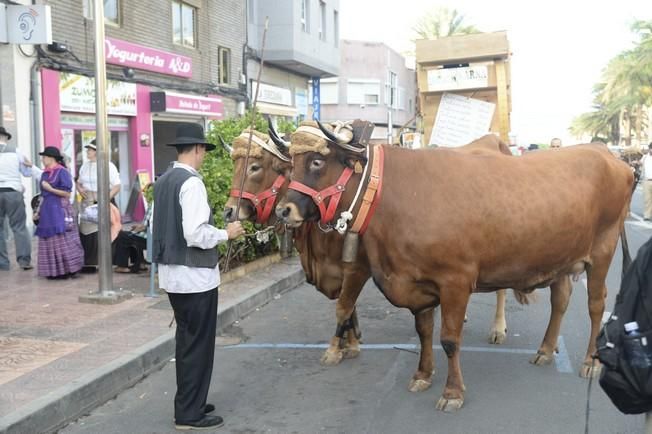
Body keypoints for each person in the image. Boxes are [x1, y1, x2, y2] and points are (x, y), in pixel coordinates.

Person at [152, 123, 244, 431]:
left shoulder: (164, 180)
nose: (204, 155)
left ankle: (191, 402)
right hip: (194, 277)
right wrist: (225, 233)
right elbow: (194, 233)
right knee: (198, 346)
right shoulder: (191, 184)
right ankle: (189, 414)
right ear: (197, 149)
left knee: (187, 342)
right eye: (204, 149)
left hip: (172, 274)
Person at [35, 146, 84, 279]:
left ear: (52, 158)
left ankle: (67, 269)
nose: (42, 159)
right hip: (47, 209)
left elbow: (67, 194)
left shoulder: (62, 172)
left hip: (60, 209)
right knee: (48, 239)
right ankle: (53, 271)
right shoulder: (45, 173)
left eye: (44, 157)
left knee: (63, 238)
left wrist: (50, 188)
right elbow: (43, 195)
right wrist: (38, 211)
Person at [0, 126, 41, 271]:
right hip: (13, 192)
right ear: (6, 138)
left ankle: (2, 263)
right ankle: (24, 261)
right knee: (19, 227)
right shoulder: (16, 152)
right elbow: (27, 173)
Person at [76, 139, 121, 270]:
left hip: (104, 201)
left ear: (97, 152)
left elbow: (117, 185)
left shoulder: (108, 165)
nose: (88, 152)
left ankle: (106, 262)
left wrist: (104, 199)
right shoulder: (84, 166)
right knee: (87, 231)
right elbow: (78, 182)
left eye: (90, 150)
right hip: (88, 202)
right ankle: (89, 262)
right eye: (88, 150)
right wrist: (80, 189)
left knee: (104, 231)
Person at [113, 203, 151, 273]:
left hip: (149, 237)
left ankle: (122, 266)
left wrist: (143, 227)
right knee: (130, 235)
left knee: (123, 236)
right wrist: (141, 227)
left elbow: (151, 224)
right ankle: (141, 263)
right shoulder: (155, 204)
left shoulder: (155, 205)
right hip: (146, 234)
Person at [640, 143, 652, 221]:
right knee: (647, 199)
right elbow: (639, 163)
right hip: (646, 181)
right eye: (651, 148)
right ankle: (647, 215)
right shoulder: (644, 157)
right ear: (649, 148)